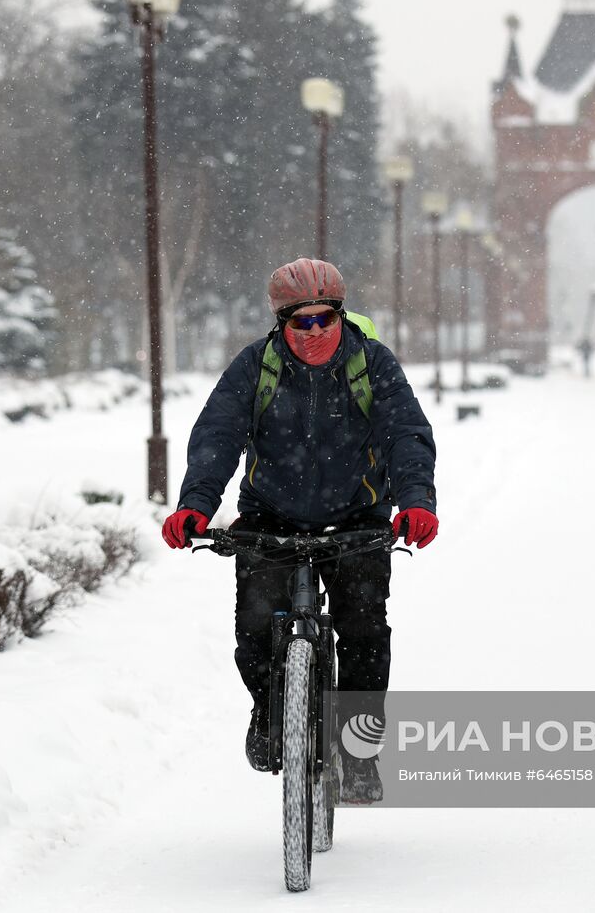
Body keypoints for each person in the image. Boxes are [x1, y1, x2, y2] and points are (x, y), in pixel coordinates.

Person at [161, 258, 438, 804]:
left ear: (340, 316)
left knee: (363, 633)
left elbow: (406, 432)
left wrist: (415, 502)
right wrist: (196, 504)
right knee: (256, 626)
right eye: (300, 323)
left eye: (323, 320)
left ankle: (358, 753)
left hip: (357, 515)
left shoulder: (372, 363)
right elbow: (218, 433)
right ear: (280, 324)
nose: (313, 332)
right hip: (272, 516)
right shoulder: (254, 367)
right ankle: (270, 713)